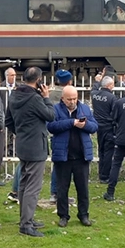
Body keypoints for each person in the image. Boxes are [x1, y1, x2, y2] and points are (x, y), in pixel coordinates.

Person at [5, 67, 55, 237]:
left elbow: (8, 121)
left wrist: (21, 132)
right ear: (39, 80)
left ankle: (26, 218)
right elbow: (50, 115)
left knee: (24, 185)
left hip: (22, 144)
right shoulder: (35, 98)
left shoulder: (14, 95)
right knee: (33, 187)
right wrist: (47, 98)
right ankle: (26, 225)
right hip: (36, 147)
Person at [47, 85, 98, 227]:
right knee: (62, 189)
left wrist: (85, 125)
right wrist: (71, 123)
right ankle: (63, 216)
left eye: (75, 98)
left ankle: (84, 215)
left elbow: (94, 127)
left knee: (83, 188)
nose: (72, 101)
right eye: (69, 99)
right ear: (62, 98)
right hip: (63, 156)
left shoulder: (85, 109)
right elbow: (51, 126)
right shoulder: (55, 109)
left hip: (81, 156)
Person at [48, 70, 74, 202]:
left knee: (58, 164)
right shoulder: (66, 94)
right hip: (65, 133)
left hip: (54, 133)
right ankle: (59, 193)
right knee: (63, 166)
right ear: (69, 81)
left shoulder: (51, 94)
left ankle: (55, 193)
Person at [91, 75, 118, 183]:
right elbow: (115, 113)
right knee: (108, 151)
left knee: (101, 150)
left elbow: (93, 88)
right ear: (110, 85)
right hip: (108, 126)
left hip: (98, 125)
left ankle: (101, 173)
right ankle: (105, 175)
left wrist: (97, 81)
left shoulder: (94, 94)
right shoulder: (112, 97)